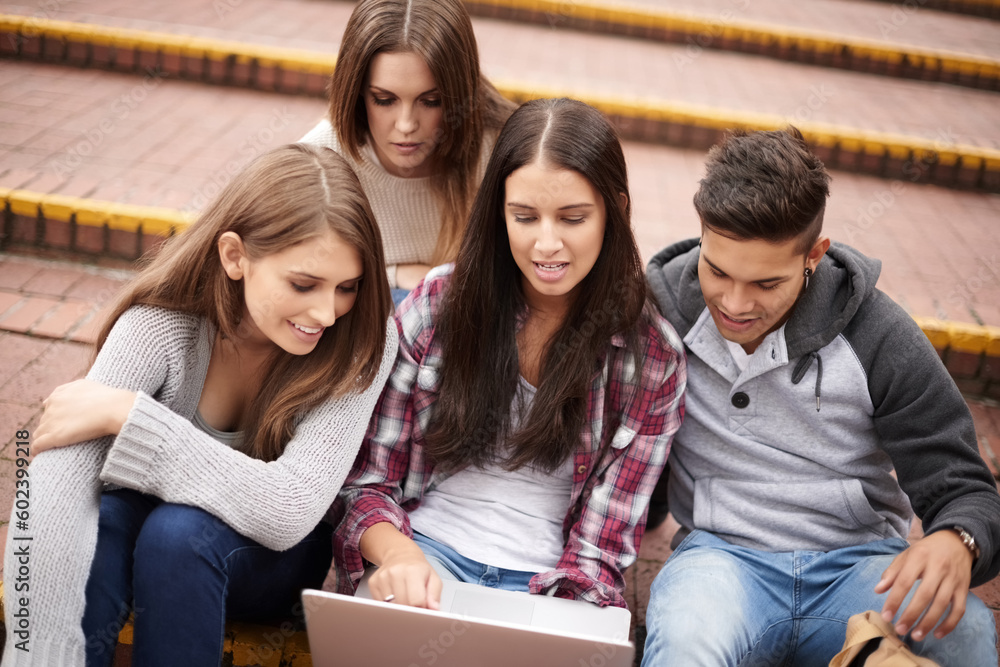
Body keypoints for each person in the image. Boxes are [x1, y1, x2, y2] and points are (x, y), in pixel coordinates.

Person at [2, 144, 398, 667]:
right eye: (303, 284)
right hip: (146, 528)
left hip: (269, 557)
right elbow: (54, 473)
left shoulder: (363, 341)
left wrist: (133, 420)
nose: (326, 312)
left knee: (179, 535)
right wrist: (39, 650)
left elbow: (289, 508)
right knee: (104, 521)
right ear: (235, 256)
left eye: (347, 287)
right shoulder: (160, 324)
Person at [642, 127, 1000, 666]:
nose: (734, 303)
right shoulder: (666, 311)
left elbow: (967, 488)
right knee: (685, 642)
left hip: (862, 571)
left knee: (968, 632)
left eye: (766, 284)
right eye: (717, 271)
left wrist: (959, 540)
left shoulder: (880, 335)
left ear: (814, 255)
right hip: (720, 564)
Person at [328, 97, 686, 611]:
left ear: (616, 211)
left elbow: (601, 549)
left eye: (572, 218)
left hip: (554, 583)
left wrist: (554, 615)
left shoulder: (651, 359)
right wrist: (400, 556)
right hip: (422, 553)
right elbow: (368, 482)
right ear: (499, 213)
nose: (546, 244)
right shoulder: (437, 307)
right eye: (524, 216)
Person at [301, 0, 515, 303]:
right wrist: (394, 274)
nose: (406, 125)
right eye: (384, 100)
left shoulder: (498, 150)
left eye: (431, 101)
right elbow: (284, 270)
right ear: (358, 90)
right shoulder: (320, 156)